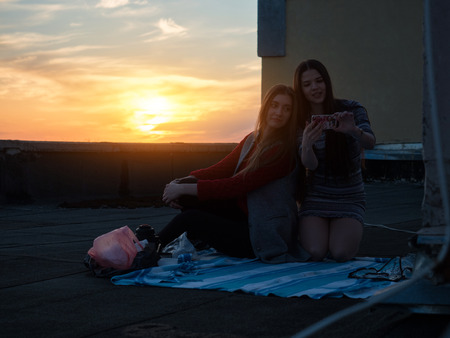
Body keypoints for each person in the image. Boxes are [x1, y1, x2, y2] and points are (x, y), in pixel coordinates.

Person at [157, 84, 309, 263]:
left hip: (260, 234)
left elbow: (236, 185)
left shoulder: (282, 152)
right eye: (274, 105)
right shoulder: (253, 139)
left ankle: (146, 248)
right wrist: (180, 183)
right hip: (242, 217)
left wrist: (184, 188)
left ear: (291, 115)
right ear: (266, 107)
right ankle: (176, 241)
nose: (279, 112)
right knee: (187, 196)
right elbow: (220, 169)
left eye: (286, 109)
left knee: (191, 218)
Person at [293, 59, 376, 262]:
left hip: (349, 197)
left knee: (340, 253)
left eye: (319, 81)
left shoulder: (351, 109)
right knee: (315, 252)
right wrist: (307, 143)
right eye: (307, 84)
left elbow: (371, 142)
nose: (315, 88)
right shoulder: (299, 120)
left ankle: (341, 233)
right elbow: (310, 165)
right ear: (300, 89)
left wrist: (353, 130)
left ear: (327, 82)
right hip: (316, 196)